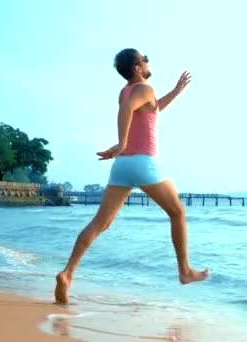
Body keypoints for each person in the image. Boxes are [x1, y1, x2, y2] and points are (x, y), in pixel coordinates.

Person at [54, 48, 209, 305]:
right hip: (142, 162)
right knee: (178, 213)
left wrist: (176, 91)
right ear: (137, 67)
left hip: (122, 167)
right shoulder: (144, 89)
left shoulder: (127, 91)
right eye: (144, 58)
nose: (148, 61)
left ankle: (67, 273)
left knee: (100, 223)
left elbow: (152, 110)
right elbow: (127, 110)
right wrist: (121, 142)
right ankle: (184, 271)